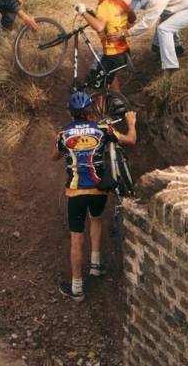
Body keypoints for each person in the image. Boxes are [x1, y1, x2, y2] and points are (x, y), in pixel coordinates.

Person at [51, 92, 137, 302]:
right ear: (89, 111)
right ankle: (96, 265)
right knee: (96, 220)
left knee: (76, 239)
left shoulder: (63, 133)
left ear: (71, 113)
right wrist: (131, 122)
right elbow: (131, 140)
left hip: (76, 192)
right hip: (99, 190)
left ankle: (77, 288)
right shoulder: (102, 129)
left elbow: (54, 157)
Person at [74, 0, 136, 93]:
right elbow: (133, 18)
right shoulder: (119, 2)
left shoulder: (103, 6)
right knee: (109, 76)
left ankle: (101, 111)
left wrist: (83, 13)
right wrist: (123, 28)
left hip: (112, 54)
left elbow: (99, 26)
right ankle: (118, 103)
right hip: (124, 51)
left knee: (97, 88)